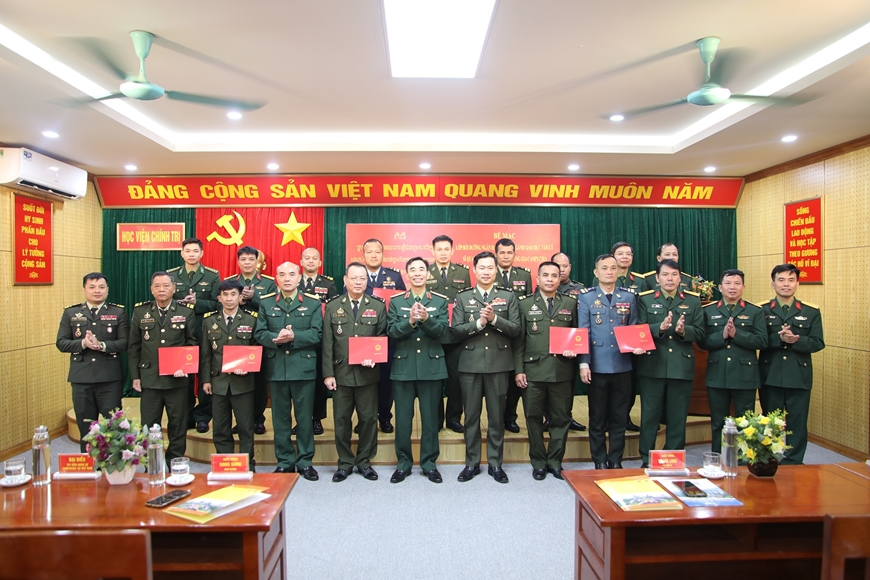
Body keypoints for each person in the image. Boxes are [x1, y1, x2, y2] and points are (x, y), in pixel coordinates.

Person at [452, 251, 521, 483]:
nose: (486, 272)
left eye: (490, 267)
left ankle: (495, 464)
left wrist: (494, 320)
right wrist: (479, 323)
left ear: (496, 270)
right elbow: (456, 330)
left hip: (499, 364)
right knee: (471, 417)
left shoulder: (507, 296)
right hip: (470, 365)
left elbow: (516, 329)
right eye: (482, 267)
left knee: (496, 417)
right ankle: (472, 463)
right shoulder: (463, 297)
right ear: (474, 270)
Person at [255, 262, 323, 480]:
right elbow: (260, 333)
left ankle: (305, 462)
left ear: (299, 277)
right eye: (282, 274)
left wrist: (294, 337)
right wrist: (275, 338)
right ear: (276, 278)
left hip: (303, 369)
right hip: (277, 368)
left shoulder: (312, 302)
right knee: (280, 419)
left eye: (292, 274)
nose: (287, 278)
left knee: (304, 418)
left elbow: (317, 333)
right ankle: (284, 462)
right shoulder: (266, 302)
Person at [635, 259, 704, 467]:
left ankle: (672, 457)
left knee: (677, 416)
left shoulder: (693, 301)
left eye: (674, 275)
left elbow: (701, 333)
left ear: (680, 278)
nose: (670, 279)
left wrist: (683, 331)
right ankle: (646, 458)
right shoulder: (645, 299)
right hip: (652, 365)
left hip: (681, 367)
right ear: (657, 278)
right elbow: (638, 329)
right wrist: (660, 328)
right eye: (665, 275)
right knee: (650, 416)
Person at [323, 262, 387, 482]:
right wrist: (328, 374)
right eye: (354, 278)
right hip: (341, 374)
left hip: (367, 374)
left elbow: (382, 338)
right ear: (345, 280)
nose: (358, 282)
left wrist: (375, 357)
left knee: (368, 419)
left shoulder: (377, 306)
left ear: (367, 281)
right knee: (341, 420)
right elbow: (328, 343)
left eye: (362, 278)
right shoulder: (333, 306)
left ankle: (364, 461)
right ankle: (344, 463)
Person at [387, 257, 450, 484]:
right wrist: (411, 322)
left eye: (421, 269)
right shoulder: (396, 301)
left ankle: (429, 464)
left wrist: (426, 319)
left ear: (427, 274)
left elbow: (443, 331)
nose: (417, 273)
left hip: (431, 367)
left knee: (431, 420)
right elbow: (391, 331)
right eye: (412, 270)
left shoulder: (439, 301)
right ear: (406, 274)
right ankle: (403, 463)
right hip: (403, 368)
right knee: (403, 420)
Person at [514, 261, 578, 480]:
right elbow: (519, 342)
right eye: (545, 275)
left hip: (562, 370)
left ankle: (555, 461)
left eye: (554, 275)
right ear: (538, 278)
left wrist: (574, 350)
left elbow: (577, 335)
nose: (550, 279)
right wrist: (519, 370)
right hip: (533, 371)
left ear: (560, 279)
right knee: (533, 418)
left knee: (561, 418)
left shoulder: (570, 302)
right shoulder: (524, 304)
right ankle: (539, 462)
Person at [578, 255, 642, 469]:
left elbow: (633, 327)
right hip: (597, 366)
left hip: (623, 365)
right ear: (596, 272)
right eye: (604, 268)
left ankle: (615, 460)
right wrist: (584, 363)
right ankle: (599, 460)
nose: (609, 272)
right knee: (597, 417)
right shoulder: (587, 297)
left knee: (619, 417)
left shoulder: (629, 297)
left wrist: (637, 346)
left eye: (613, 268)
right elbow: (584, 332)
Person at [56, 273, 130, 452]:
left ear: (107, 290)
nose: (97, 291)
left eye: (101, 287)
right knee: (86, 429)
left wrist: (102, 345)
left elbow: (125, 342)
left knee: (114, 427)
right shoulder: (71, 313)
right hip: (81, 378)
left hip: (109, 378)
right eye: (92, 287)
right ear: (84, 290)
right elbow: (61, 343)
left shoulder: (118, 312)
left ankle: (114, 465)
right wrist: (83, 343)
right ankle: (88, 463)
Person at [759, 263, 824, 465]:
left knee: (797, 421)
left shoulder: (811, 311)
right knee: (770, 422)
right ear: (773, 284)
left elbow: (818, 342)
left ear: (797, 283)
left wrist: (797, 340)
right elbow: (758, 340)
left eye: (791, 280)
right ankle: (767, 460)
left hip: (799, 375)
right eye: (781, 280)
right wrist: (778, 339)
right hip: (770, 374)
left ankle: (795, 462)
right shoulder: (761, 310)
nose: (786, 284)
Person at [128, 271, 197, 462]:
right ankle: (151, 462)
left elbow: (192, 343)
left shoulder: (186, 312)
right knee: (149, 425)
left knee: (178, 424)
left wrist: (185, 366)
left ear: (174, 288)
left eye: (166, 286)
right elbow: (134, 347)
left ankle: (175, 461)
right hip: (150, 377)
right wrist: (135, 376)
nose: (161, 290)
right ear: (151, 289)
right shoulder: (141, 312)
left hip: (177, 379)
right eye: (157, 286)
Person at [700, 269, 767, 454]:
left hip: (745, 375)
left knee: (745, 422)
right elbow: (702, 341)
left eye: (737, 283)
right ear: (720, 287)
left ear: (743, 287)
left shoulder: (755, 311)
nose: (732, 287)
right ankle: (717, 457)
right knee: (718, 422)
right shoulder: (708, 311)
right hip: (717, 374)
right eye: (728, 283)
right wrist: (722, 335)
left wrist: (738, 335)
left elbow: (762, 341)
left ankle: (745, 459)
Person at [200, 280, 260, 469]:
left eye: (233, 294)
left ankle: (247, 464)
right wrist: (206, 380)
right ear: (219, 298)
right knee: (220, 427)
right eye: (225, 295)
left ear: (240, 297)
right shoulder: (209, 321)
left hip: (243, 382)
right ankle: (224, 463)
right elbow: (206, 354)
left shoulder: (251, 320)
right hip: (218, 382)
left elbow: (256, 349)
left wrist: (248, 367)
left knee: (245, 426)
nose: (229, 298)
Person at [168, 237, 220, 434]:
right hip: (179, 334)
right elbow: (165, 301)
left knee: (206, 373)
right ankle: (187, 415)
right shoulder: (172, 275)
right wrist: (181, 304)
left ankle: (203, 417)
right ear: (182, 253)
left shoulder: (212, 275)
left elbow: (217, 304)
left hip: (204, 331)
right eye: (188, 251)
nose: (191, 254)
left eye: (195, 251)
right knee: (184, 376)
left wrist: (197, 303)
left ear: (201, 253)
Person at [225, 246, 276, 436]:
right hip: (236, 338)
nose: (247, 263)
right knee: (238, 383)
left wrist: (253, 298)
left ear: (257, 262)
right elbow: (222, 304)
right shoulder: (230, 282)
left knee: (259, 382)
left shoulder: (269, 283)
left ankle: (258, 420)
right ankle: (241, 421)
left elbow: (273, 308)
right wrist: (237, 302)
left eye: (251, 259)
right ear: (238, 262)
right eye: (243, 259)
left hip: (259, 337)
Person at [595, 242, 645, 431]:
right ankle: (608, 419)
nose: (625, 257)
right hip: (606, 346)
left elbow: (639, 314)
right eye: (620, 253)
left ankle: (624, 418)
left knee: (628, 387)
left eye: (628, 254)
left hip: (630, 345)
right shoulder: (603, 277)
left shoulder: (640, 281)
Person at [426, 234, 470, 433]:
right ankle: (436, 419)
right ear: (433, 251)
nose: (443, 253)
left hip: (455, 336)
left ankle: (453, 418)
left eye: (446, 249)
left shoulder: (463, 272)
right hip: (433, 335)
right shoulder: (425, 271)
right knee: (435, 380)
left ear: (452, 250)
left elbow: (467, 301)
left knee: (456, 380)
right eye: (439, 249)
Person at [362, 238, 405, 434]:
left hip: (388, 337)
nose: (373, 255)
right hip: (363, 337)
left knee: (386, 380)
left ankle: (385, 417)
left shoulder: (394, 276)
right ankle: (364, 418)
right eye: (369, 252)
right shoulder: (356, 275)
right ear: (363, 255)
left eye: (377, 252)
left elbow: (402, 304)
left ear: (383, 254)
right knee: (364, 380)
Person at [493, 237, 532, 434]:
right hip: (496, 331)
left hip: (518, 332)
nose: (506, 256)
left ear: (514, 254)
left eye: (509, 253)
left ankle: (510, 417)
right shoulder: (489, 273)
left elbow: (528, 302)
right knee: (498, 381)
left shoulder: (524, 275)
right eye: (502, 252)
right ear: (496, 255)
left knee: (516, 378)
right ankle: (497, 418)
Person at [299, 246, 338, 436]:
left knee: (319, 382)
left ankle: (317, 419)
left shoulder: (328, 283)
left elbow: (333, 310)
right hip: (299, 339)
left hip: (321, 339)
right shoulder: (294, 281)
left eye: (314, 258)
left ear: (320, 262)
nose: (311, 261)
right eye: (307, 258)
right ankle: (301, 420)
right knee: (300, 384)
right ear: (301, 262)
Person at [550, 252, 588, 432]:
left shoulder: (580, 289)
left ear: (570, 267)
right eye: (558, 266)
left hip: (571, 345)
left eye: (565, 266)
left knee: (568, 385)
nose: (562, 269)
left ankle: (567, 416)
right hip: (549, 344)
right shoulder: (545, 286)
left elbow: (582, 320)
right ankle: (549, 417)